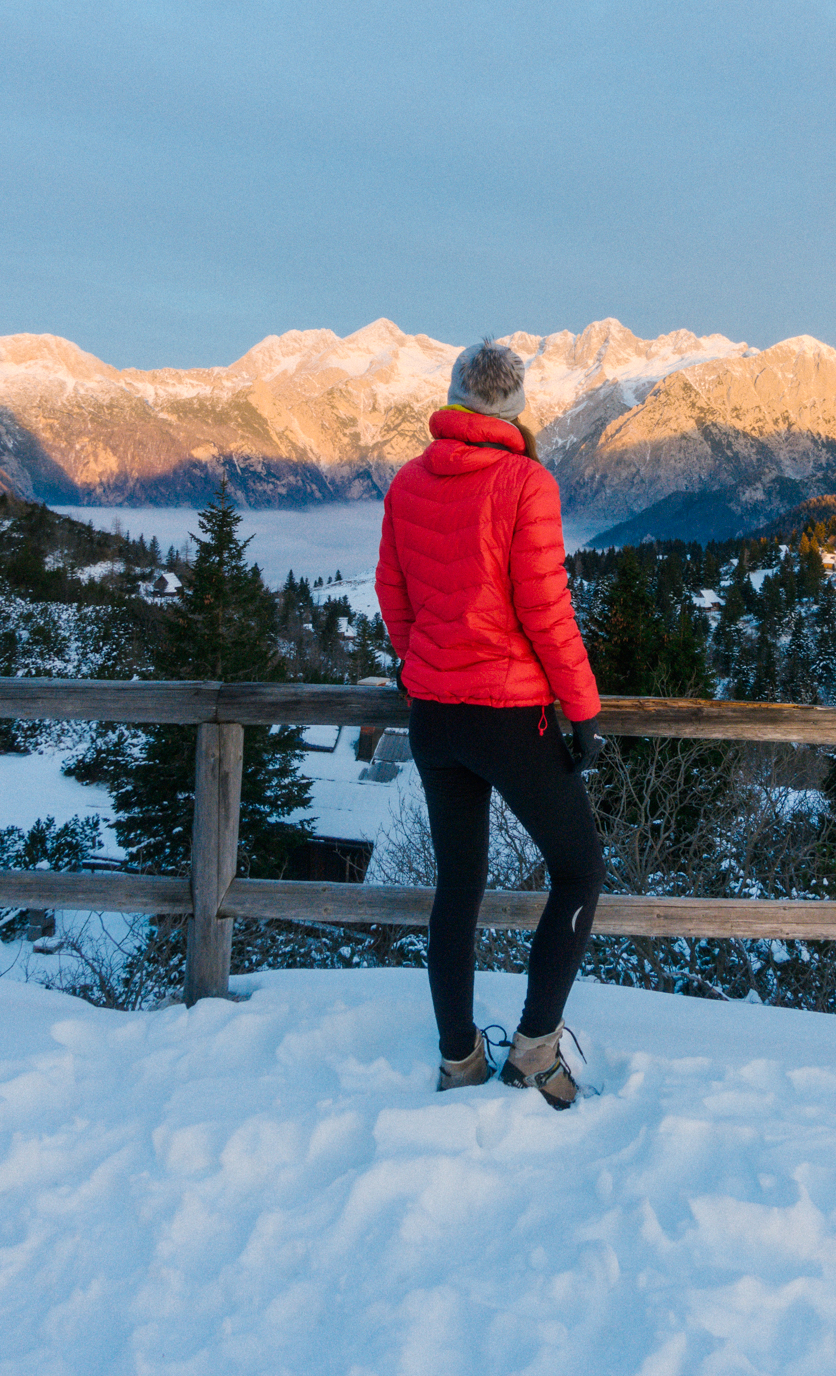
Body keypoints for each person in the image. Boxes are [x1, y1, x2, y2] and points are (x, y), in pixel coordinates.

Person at [375, 338, 607, 1107]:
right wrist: (581, 711)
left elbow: (392, 589)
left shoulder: (408, 480)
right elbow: (546, 610)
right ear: (515, 407)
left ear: (452, 394)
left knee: (457, 885)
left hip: (434, 718)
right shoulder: (525, 482)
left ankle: (458, 1058)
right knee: (578, 869)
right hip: (508, 717)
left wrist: (419, 667)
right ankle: (535, 1051)